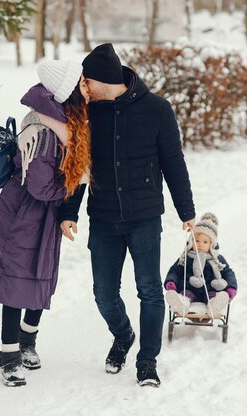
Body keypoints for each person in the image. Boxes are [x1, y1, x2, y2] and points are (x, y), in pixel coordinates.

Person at [58, 43, 195, 387]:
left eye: (86, 80)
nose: (82, 87)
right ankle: (123, 336)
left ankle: (147, 361)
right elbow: (81, 165)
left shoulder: (157, 109)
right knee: (104, 293)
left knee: (149, 290)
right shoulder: (89, 113)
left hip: (144, 216)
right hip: (103, 218)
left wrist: (186, 210)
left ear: (100, 79)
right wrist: (68, 211)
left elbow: (173, 163)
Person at [0, 60, 91, 387]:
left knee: (41, 274)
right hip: (23, 216)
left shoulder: (65, 125)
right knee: (16, 281)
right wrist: (75, 181)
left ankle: (27, 342)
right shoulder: (43, 132)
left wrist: (74, 180)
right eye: (80, 85)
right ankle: (8, 356)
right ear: (65, 93)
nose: (85, 90)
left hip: (44, 215)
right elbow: (40, 186)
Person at [164, 212, 238, 316]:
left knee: (214, 297)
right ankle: (181, 303)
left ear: (211, 244)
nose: (200, 244)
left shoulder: (217, 259)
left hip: (210, 290)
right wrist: (171, 282)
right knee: (185, 294)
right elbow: (175, 271)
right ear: (191, 241)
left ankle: (215, 305)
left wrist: (231, 287)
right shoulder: (186, 257)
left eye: (205, 242)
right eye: (196, 240)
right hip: (189, 288)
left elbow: (228, 273)